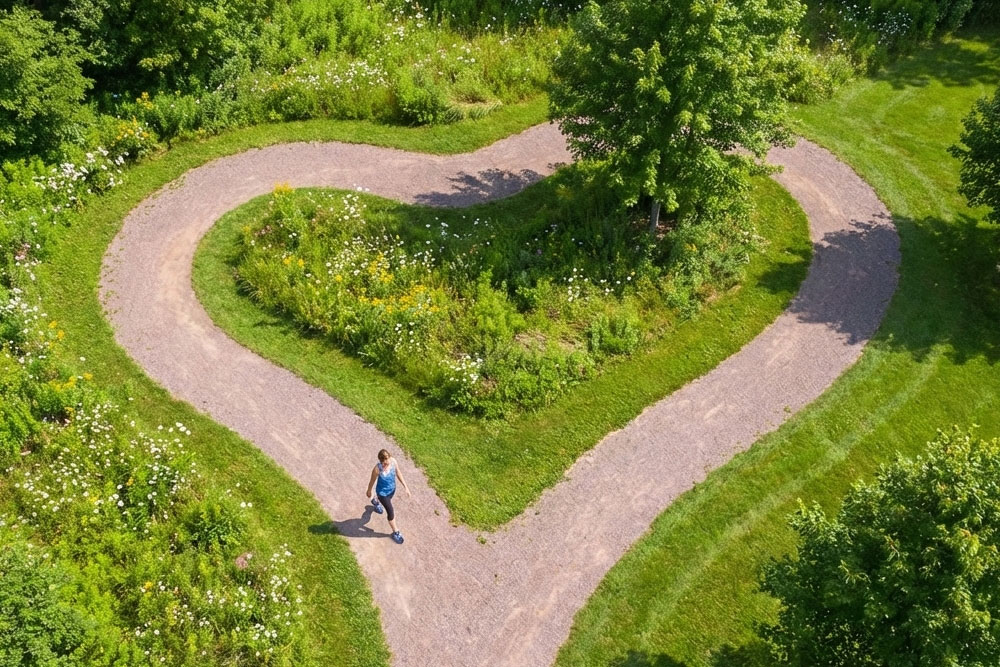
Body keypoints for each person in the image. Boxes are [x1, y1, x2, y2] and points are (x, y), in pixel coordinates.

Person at [366, 448, 411, 544]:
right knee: (391, 512)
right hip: (382, 494)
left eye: (387, 460)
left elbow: (398, 472)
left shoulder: (393, 462)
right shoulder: (377, 469)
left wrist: (405, 487)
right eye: (384, 462)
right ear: (380, 460)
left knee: (365, 520)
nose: (386, 463)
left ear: (389, 457)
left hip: (392, 490)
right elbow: (372, 481)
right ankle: (396, 532)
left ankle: (375, 501)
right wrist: (369, 491)